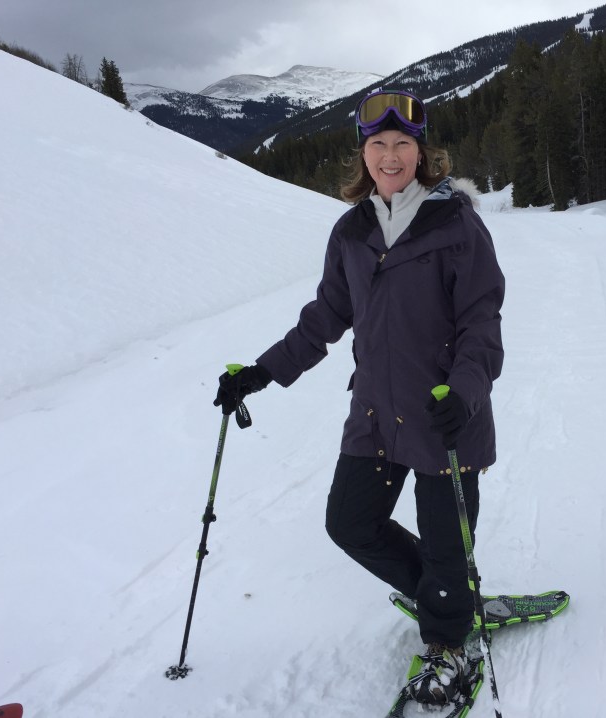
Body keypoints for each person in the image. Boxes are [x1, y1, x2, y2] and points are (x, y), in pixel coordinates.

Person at [213, 89, 505, 706]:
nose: (390, 156)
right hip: (375, 414)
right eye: (378, 145)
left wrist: (466, 391)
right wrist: (261, 373)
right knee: (350, 523)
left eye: (402, 144)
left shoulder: (456, 225)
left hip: (444, 416)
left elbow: (482, 321)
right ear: (363, 153)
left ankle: (449, 640)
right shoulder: (352, 231)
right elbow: (325, 316)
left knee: (445, 540)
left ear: (421, 153)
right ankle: (447, 595)